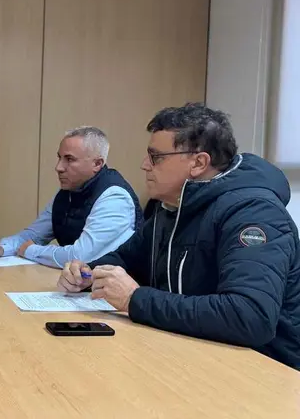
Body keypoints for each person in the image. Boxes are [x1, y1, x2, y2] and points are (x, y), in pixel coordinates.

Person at [58, 102, 300, 370]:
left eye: (156, 157)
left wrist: (134, 300)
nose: (144, 165)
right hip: (191, 354)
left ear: (198, 163)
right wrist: (87, 273)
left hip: (264, 370)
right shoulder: (172, 206)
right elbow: (126, 258)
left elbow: (250, 316)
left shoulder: (254, 213)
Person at [0, 126, 143, 268]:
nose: (59, 167)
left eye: (69, 159)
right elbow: (33, 235)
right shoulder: (68, 193)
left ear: (97, 164)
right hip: (79, 285)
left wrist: (31, 251)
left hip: (115, 292)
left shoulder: (114, 197)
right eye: (59, 158)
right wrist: (1, 248)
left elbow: (80, 257)